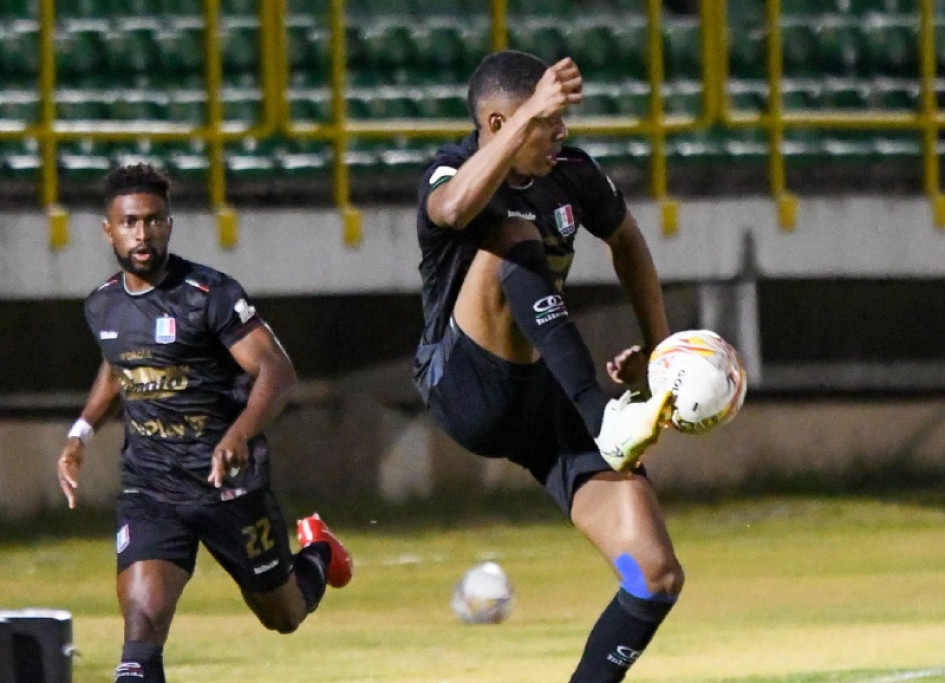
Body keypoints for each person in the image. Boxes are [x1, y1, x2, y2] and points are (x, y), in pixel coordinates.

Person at [413, 50, 683, 681]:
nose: (561, 132)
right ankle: (603, 417)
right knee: (510, 236)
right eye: (545, 121)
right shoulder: (448, 170)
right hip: (466, 386)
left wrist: (662, 351)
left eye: (560, 119)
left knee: (652, 573)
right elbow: (452, 212)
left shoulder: (572, 173)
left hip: (546, 395)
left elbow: (627, 241)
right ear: (500, 123)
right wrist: (601, 409)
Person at [56, 163, 353, 683]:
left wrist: (239, 433)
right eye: (129, 222)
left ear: (169, 224)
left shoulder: (209, 294)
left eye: (153, 221)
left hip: (227, 487)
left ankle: (320, 551)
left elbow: (276, 371)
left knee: (282, 615)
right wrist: (80, 434)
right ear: (109, 229)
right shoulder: (102, 305)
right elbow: (117, 365)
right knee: (141, 628)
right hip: (152, 489)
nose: (141, 234)